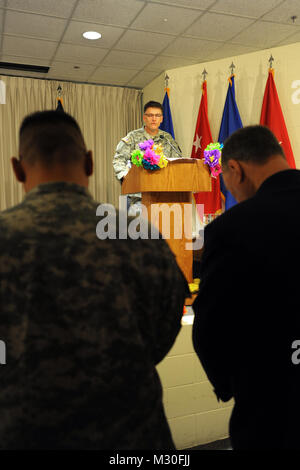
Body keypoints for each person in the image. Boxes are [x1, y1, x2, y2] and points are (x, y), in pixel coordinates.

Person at [0, 110, 189, 450]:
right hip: (133, 434)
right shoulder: (138, 234)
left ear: (16, 169)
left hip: (23, 431)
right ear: (89, 162)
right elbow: (168, 319)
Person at [192, 125, 300, 450]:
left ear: (235, 169)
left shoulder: (231, 229)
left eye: (226, 182)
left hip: (272, 406)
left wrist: (229, 384)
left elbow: (211, 325)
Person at [113, 100, 182, 214]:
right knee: (137, 230)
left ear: (162, 119)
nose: (154, 119)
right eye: (150, 115)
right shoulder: (133, 137)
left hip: (163, 196)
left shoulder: (167, 138)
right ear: (144, 118)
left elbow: (176, 162)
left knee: (163, 231)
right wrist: (127, 177)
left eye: (157, 115)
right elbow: (118, 160)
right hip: (138, 197)